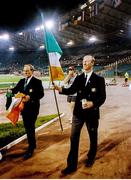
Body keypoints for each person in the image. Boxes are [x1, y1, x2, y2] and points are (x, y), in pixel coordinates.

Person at [54, 55, 106, 174]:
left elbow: (102, 98)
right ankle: (71, 165)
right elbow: (71, 90)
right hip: (78, 113)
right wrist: (60, 89)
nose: (84, 63)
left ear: (92, 63)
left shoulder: (99, 79)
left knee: (93, 137)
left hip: (92, 114)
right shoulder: (79, 78)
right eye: (83, 61)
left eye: (87, 61)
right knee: (73, 138)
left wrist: (93, 103)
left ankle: (91, 157)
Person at [11, 64, 44, 159]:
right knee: (28, 127)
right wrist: (10, 91)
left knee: (30, 127)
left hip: (33, 108)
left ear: (32, 71)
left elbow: (41, 94)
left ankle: (30, 149)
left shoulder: (37, 81)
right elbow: (15, 90)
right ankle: (32, 144)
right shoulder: (22, 81)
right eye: (24, 71)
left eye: (28, 71)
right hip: (23, 108)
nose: (26, 72)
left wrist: (30, 97)